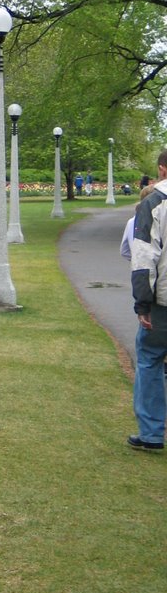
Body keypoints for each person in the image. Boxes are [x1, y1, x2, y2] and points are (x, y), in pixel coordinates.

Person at [129, 151, 167, 451]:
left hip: (162, 302)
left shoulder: (152, 204)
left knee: (150, 360)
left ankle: (153, 432)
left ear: (162, 169)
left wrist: (142, 304)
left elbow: (143, 258)